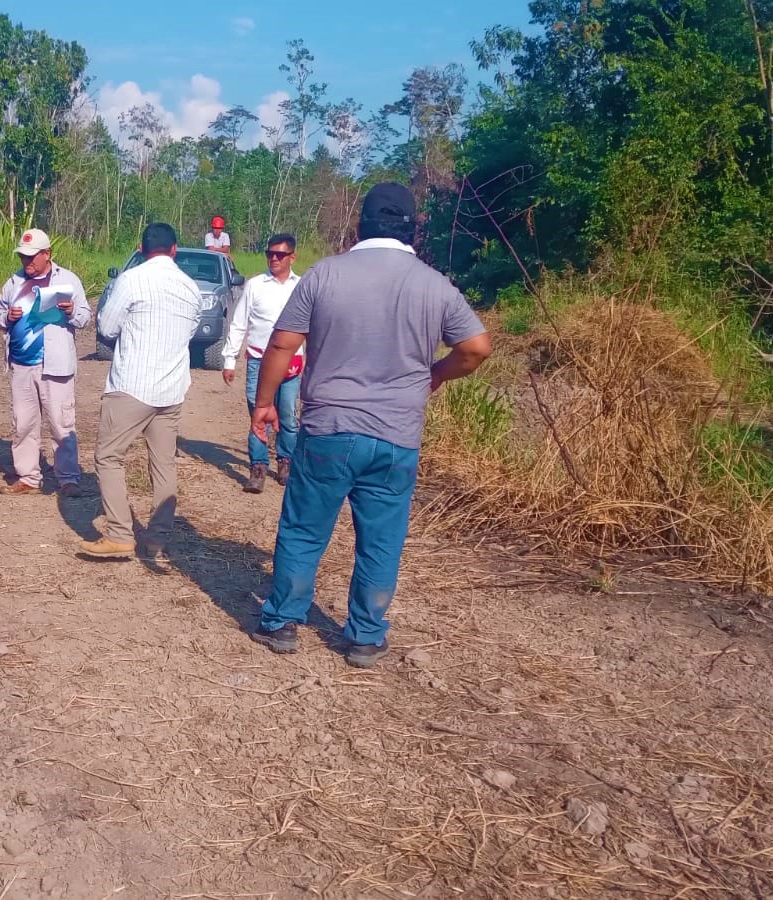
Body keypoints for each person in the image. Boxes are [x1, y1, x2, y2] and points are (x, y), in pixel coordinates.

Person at [246, 183, 492, 668]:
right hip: (396, 436)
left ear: (361, 225)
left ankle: (280, 623)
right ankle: (364, 636)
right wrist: (435, 375)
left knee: (303, 529)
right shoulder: (434, 285)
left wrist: (264, 403)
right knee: (380, 540)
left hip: (330, 429)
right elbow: (477, 347)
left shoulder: (324, 276)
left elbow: (281, 345)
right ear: (414, 229)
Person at [80, 222, 202, 559]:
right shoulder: (190, 287)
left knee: (108, 456)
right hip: (171, 388)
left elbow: (106, 326)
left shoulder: (131, 280)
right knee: (163, 463)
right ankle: (158, 536)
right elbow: (190, 332)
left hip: (132, 385)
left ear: (142, 248)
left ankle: (120, 534)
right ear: (174, 250)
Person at [0, 228, 91, 497]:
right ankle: (28, 477)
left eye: (32, 257)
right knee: (23, 423)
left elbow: (85, 317)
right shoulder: (13, 282)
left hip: (55, 364)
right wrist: (8, 318)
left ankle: (68, 479)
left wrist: (72, 312)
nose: (27, 263)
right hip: (21, 365)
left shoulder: (68, 280)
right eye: (23, 257)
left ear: (47, 254)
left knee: (61, 423)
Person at [221, 232, 302, 494]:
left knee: (288, 416)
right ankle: (257, 466)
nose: (274, 259)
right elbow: (239, 322)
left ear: (292, 257)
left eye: (280, 255)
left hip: (292, 363)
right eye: (270, 254)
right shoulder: (255, 285)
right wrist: (229, 359)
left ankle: (285, 462)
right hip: (259, 360)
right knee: (259, 415)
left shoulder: (301, 287)